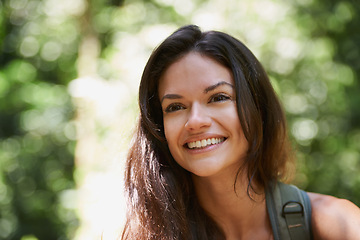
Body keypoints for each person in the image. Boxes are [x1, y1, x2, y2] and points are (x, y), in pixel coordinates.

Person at [121, 25, 360, 239]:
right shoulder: (142, 233)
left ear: (258, 107)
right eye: (175, 107)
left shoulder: (337, 223)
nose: (195, 121)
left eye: (218, 97)